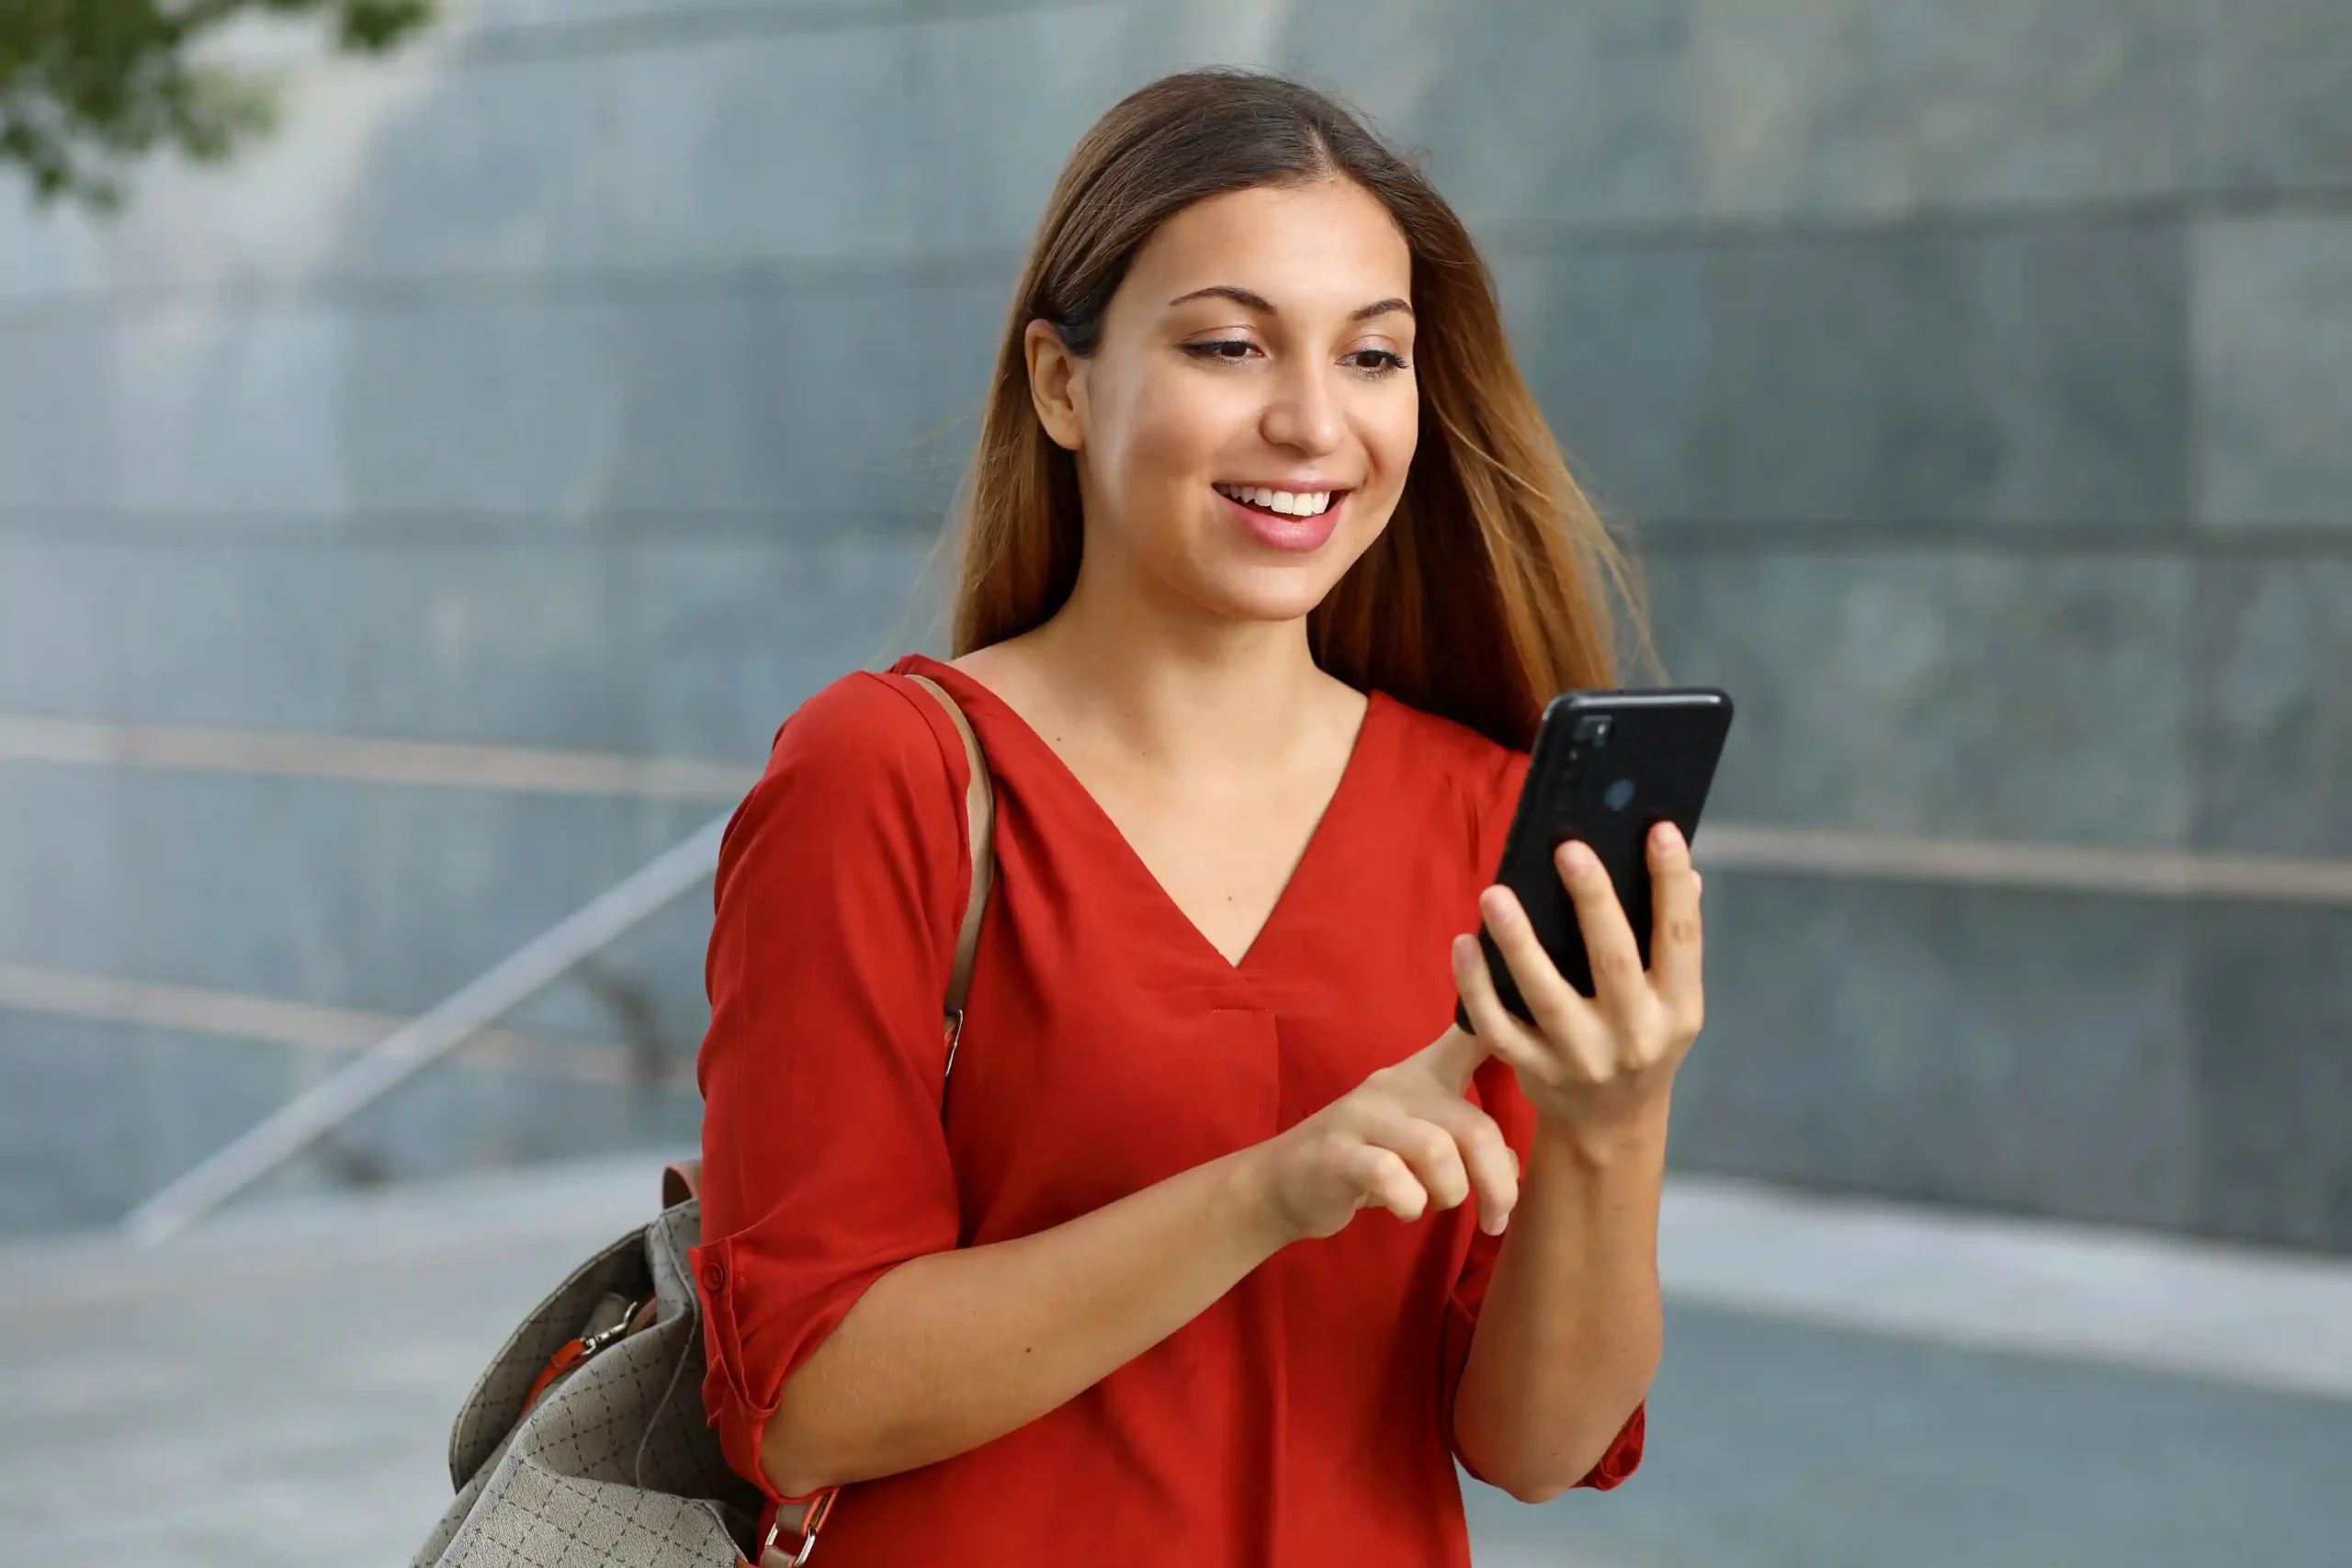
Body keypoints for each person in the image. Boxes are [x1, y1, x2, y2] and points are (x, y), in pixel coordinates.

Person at [689, 67, 1705, 1567]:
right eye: (1229, 345)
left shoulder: (1486, 814)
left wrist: (1616, 1128)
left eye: (1373, 357)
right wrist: (1270, 1188)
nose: (1311, 423)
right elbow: (803, 1401)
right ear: (1059, 380)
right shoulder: (887, 776)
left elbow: (1535, 1447)